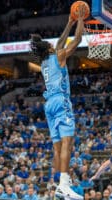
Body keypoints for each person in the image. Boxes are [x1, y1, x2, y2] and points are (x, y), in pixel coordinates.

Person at [30, 4, 86, 200]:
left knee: (57, 147)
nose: (55, 44)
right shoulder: (59, 56)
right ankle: (63, 185)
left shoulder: (45, 61)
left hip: (49, 105)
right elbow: (77, 39)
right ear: (50, 48)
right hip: (61, 101)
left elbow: (60, 42)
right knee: (67, 144)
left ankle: (60, 184)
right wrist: (80, 19)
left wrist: (69, 23)